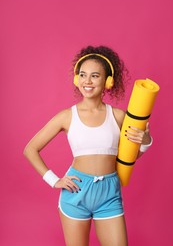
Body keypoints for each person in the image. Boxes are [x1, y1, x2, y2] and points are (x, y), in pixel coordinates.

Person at [24, 45, 152, 246]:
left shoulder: (118, 116)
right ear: (77, 79)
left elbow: (130, 156)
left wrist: (145, 143)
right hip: (76, 192)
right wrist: (53, 180)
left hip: (109, 193)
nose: (87, 81)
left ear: (108, 81)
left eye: (95, 76)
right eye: (83, 75)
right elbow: (30, 149)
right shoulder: (66, 116)